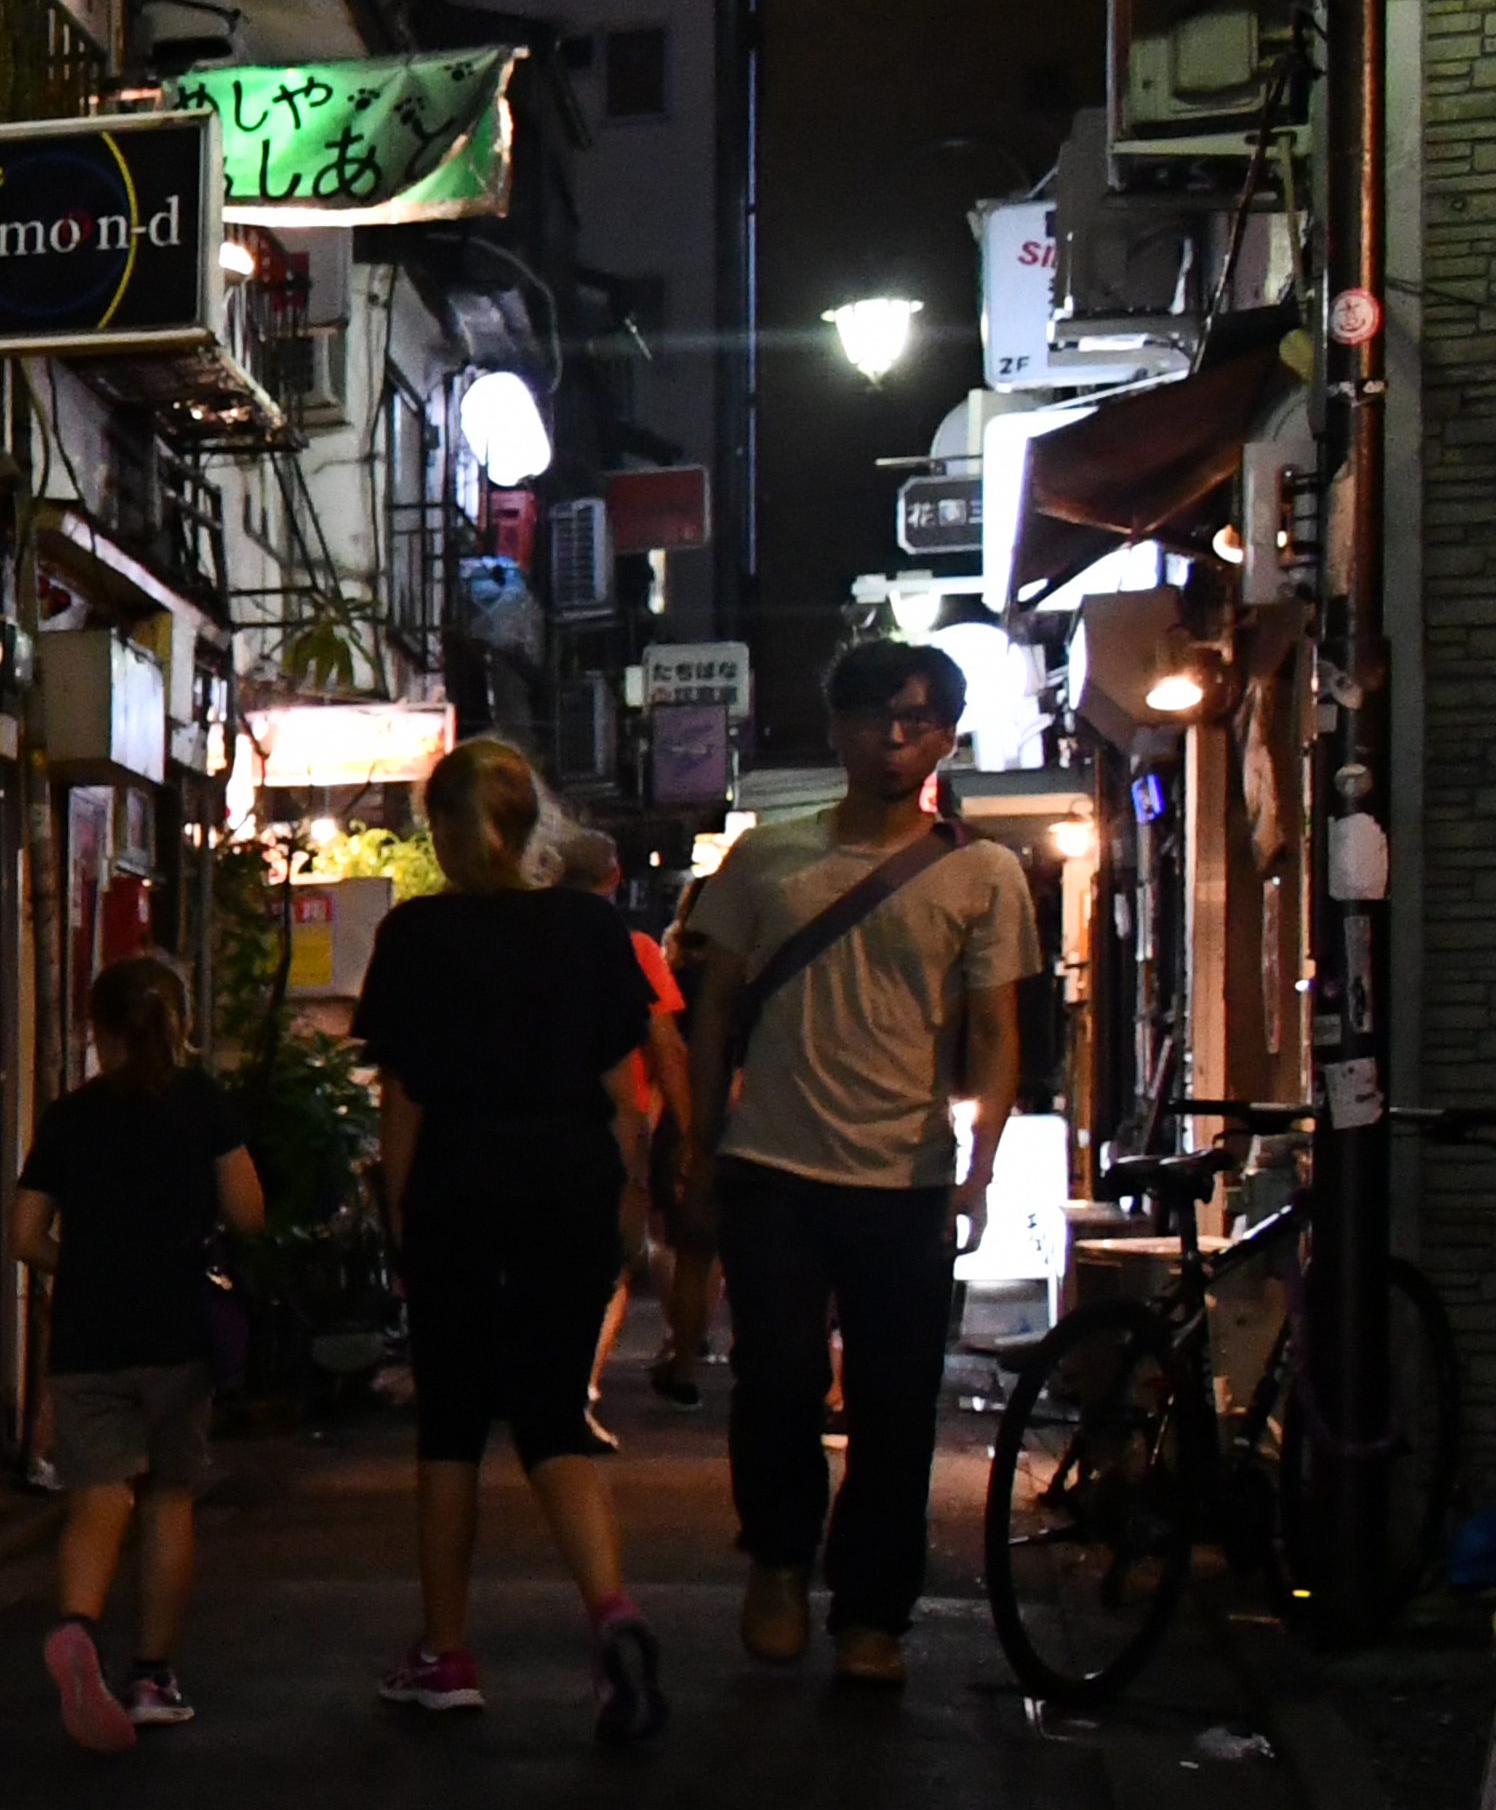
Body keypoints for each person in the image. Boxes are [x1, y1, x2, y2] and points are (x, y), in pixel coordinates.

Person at [682, 638, 1037, 1686]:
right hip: (775, 1164)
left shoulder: (983, 871)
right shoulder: (765, 859)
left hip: (908, 1171)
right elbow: (711, 1015)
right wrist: (701, 1145)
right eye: (877, 714)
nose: (896, 736)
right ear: (833, 726)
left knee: (893, 1402)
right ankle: (781, 1559)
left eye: (921, 719)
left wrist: (979, 1162)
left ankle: (874, 1610)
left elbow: (996, 1029)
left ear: (948, 736)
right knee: (778, 1377)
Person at [353, 740, 690, 1742]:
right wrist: (631, 1197)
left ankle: (446, 1652)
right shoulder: (590, 928)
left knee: (451, 1424)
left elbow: (403, 1097)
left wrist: (399, 1210)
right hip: (568, 1187)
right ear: (532, 824)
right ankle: (612, 1610)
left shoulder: (416, 936)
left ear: (445, 831)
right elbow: (620, 1091)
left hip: (462, 1186)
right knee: (551, 1417)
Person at [9, 955, 266, 1752]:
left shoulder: (69, 1114)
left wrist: (84, 1266)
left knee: (98, 1493)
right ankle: (152, 1675)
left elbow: (24, 1235)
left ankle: (78, 1627)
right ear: (179, 1022)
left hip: (88, 1333)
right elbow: (249, 1212)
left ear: (99, 1030)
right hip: (176, 1333)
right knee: (167, 1496)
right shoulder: (200, 1105)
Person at [549, 826, 713, 1407]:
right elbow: (665, 1044)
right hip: (619, 1123)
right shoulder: (635, 949)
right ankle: (580, 1383)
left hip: (533, 1124)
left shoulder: (523, 944)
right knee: (610, 1260)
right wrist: (688, 1131)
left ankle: (544, 1377)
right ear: (614, 878)